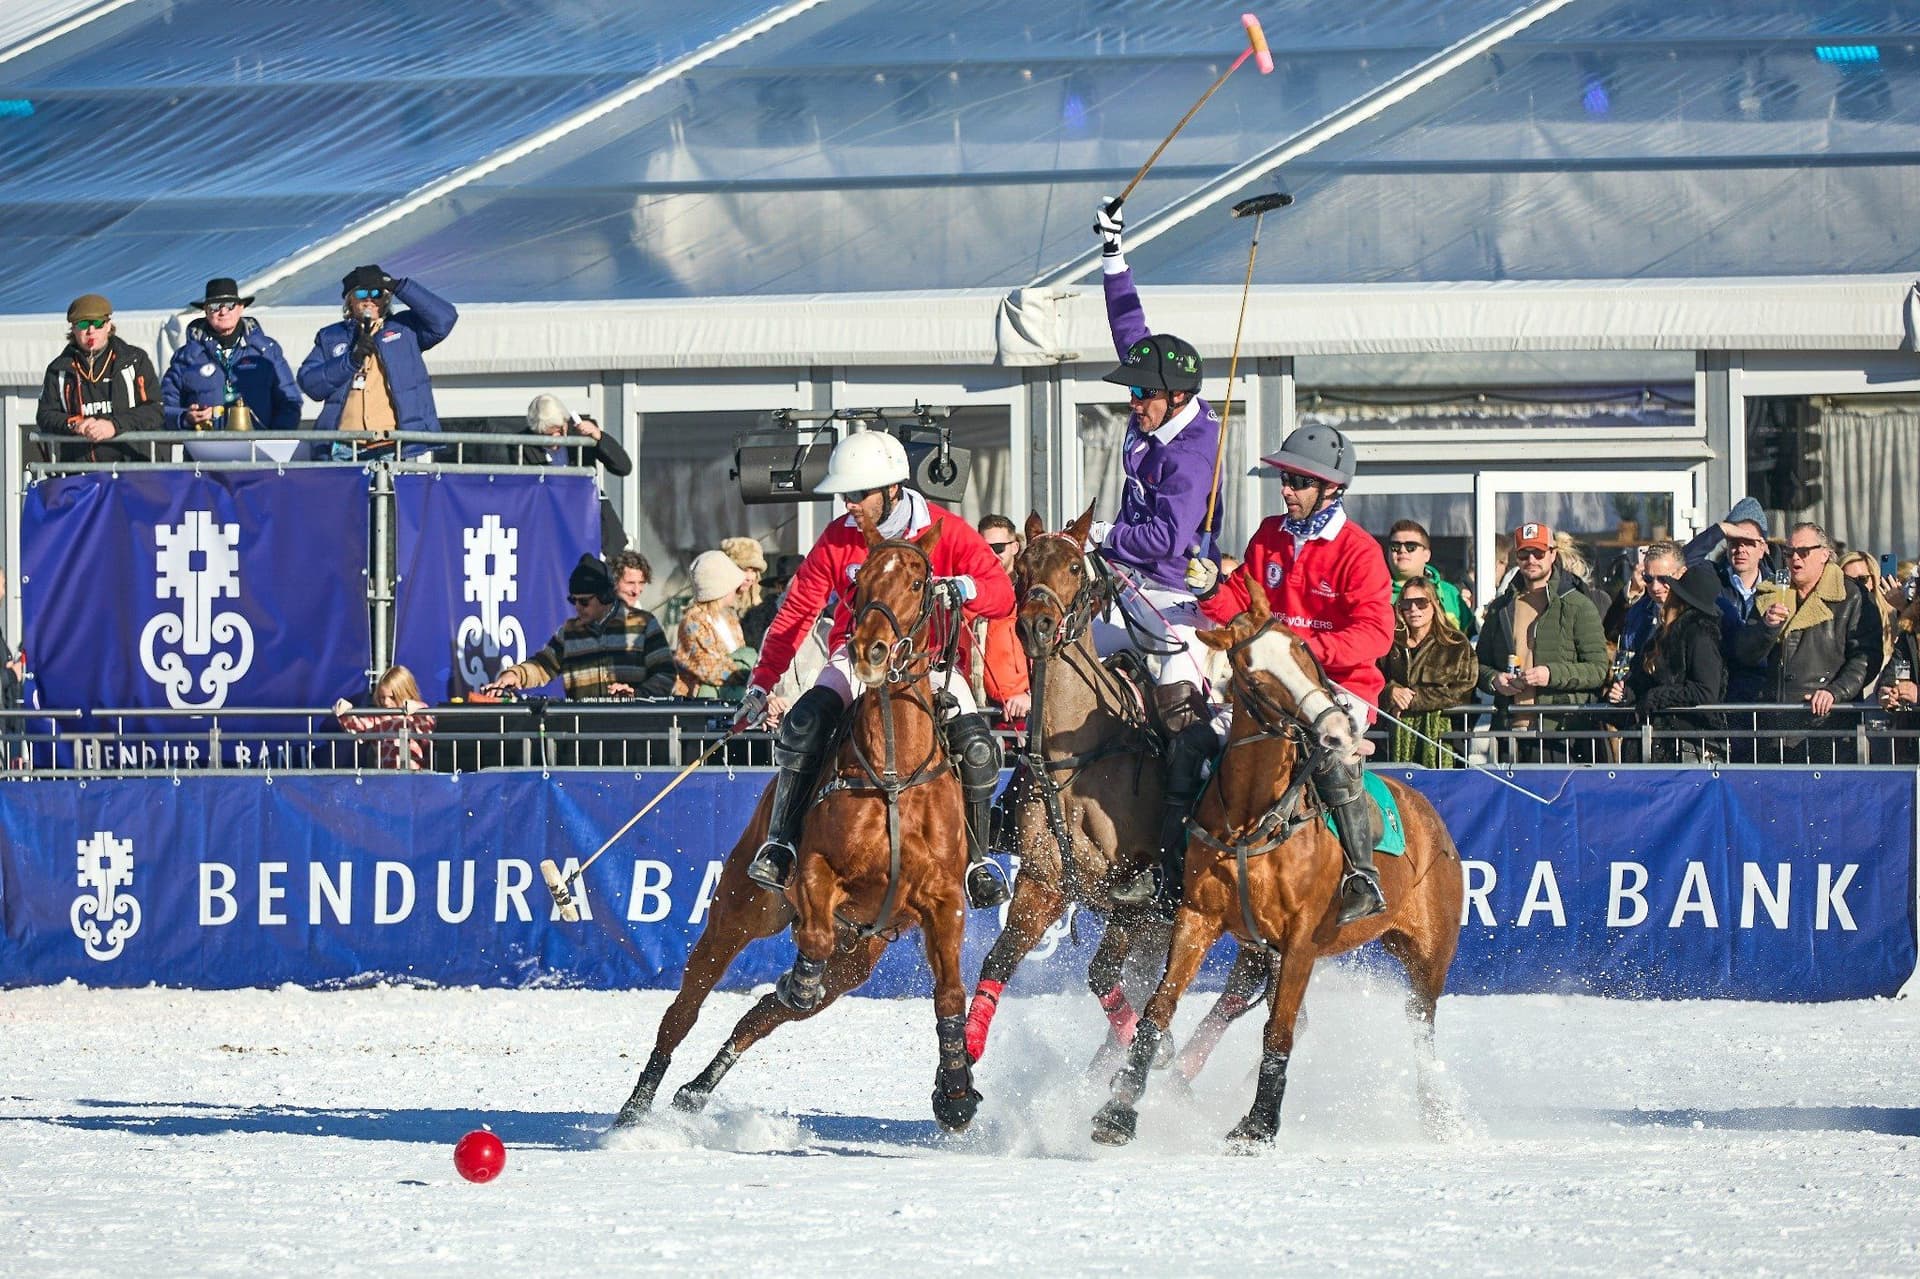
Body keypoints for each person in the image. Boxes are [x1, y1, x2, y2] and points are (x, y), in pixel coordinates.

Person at [735, 431, 1015, 911]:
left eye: (859, 493)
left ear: (891, 489)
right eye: (845, 494)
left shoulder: (946, 530)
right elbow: (797, 611)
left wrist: (963, 589)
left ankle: (977, 861)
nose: (850, 504)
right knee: (804, 724)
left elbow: (1002, 594)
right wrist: (762, 683)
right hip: (857, 657)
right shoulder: (837, 537)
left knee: (976, 747)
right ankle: (781, 844)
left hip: (931, 664)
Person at [1087, 199, 1231, 911]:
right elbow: (1130, 329)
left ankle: (1173, 857)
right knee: (1061, 659)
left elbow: (1166, 541)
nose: (1131, 402)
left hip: (1175, 599)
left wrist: (1102, 536)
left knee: (1182, 712)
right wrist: (1114, 254)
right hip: (1124, 587)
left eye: (1141, 395)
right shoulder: (1156, 401)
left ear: (1176, 398)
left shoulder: (1194, 452)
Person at [1198, 424, 1395, 924]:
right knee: (1206, 744)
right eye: (1285, 479)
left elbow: (1375, 634)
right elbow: (1242, 606)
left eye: (1299, 482)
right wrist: (1210, 591)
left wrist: (1301, 653)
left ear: (1332, 488)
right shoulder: (1269, 535)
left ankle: (1362, 875)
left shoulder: (1360, 550)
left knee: (1329, 757)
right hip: (1270, 688)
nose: (1286, 489)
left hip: (1340, 686)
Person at [1735, 522, 1881, 763]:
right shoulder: (1771, 592)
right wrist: (1766, 628)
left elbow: (1866, 657)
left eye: (1803, 552)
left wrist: (1835, 692)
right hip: (1774, 724)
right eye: (1789, 552)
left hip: (1826, 723)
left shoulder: (1851, 596)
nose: (1795, 558)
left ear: (1825, 554)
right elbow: (1744, 654)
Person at [1476, 522, 1609, 763]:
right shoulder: (1500, 607)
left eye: (1538, 553)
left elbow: (1599, 670)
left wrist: (1551, 674)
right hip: (1509, 728)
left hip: (1561, 732)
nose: (1531, 560)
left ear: (1552, 554)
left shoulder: (1578, 604)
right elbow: (1479, 665)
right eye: (1524, 554)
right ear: (1516, 558)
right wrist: (1494, 680)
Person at [297, 265, 457, 458]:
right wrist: (351, 360)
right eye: (361, 293)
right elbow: (310, 383)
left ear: (386, 299)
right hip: (344, 447)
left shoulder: (405, 328)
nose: (369, 299)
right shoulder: (331, 336)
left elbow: (444, 319)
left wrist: (399, 286)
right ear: (349, 300)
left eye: (376, 293)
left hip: (393, 446)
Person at [483, 555, 675, 700]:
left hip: (633, 732)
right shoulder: (569, 633)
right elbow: (543, 666)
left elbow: (665, 674)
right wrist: (514, 675)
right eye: (573, 600)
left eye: (584, 601)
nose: (577, 607)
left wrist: (636, 695)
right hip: (583, 734)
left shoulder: (644, 625)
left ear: (605, 597)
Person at [1606, 566, 1726, 762]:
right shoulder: (1666, 633)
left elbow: (1705, 691)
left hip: (1687, 746)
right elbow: (1647, 680)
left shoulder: (1699, 635)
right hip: (1657, 743)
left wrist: (1656, 697)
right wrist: (1626, 693)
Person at [161, 277, 301, 443]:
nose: (223, 311)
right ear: (205, 311)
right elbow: (164, 408)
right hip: (205, 453)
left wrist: (273, 440)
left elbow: (290, 401)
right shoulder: (186, 358)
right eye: (215, 306)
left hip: (257, 452)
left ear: (241, 308)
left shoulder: (266, 351)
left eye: (230, 305)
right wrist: (185, 418)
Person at [489, 394, 634, 553]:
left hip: (591, 518)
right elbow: (526, 492)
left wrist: (599, 437)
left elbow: (623, 467)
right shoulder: (522, 445)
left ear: (565, 421)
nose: (554, 439)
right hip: (551, 524)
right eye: (545, 435)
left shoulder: (581, 431)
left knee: (613, 564)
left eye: (558, 431)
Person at [36, 293, 161, 463]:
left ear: (108, 325)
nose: (91, 331)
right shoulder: (59, 368)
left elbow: (154, 410)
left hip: (131, 468)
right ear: (73, 329)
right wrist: (74, 424)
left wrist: (114, 426)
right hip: (81, 470)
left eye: (97, 324)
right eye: (83, 324)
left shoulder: (134, 360)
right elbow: (45, 415)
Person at [1378, 577, 1477, 768]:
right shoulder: (1389, 642)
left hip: (1443, 739)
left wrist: (1414, 700)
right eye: (1406, 604)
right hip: (1391, 739)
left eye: (1421, 602)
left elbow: (1464, 688)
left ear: (1434, 604)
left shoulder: (1455, 643)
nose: (1413, 609)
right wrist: (1390, 692)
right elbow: (1372, 679)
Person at [673, 550, 755, 700]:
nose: (737, 589)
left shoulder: (730, 618)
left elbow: (740, 654)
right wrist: (746, 674)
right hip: (701, 704)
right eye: (733, 584)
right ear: (721, 588)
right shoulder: (693, 621)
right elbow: (706, 666)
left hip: (731, 699)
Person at [974, 515, 1030, 722]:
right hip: (974, 707)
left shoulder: (1029, 592)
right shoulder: (969, 588)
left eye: (998, 548)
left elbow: (1049, 650)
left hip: (1018, 709)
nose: (991, 555)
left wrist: (1031, 696)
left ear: (1015, 547)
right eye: (984, 548)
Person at [333, 665, 435, 771]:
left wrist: (418, 710)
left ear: (405, 693)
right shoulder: (379, 718)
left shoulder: (417, 714)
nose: (386, 702)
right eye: (382, 697)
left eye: (392, 697)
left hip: (415, 775)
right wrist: (346, 713)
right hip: (386, 776)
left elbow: (427, 735)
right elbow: (359, 729)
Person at [1385, 519, 1474, 636]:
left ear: (1426, 555)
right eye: (1395, 546)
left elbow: (1471, 638)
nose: (1402, 550)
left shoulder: (1449, 593)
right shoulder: (1375, 593)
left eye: (1411, 546)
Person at [1838, 550, 1898, 676]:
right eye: (1847, 580)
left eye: (1862, 579)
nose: (1855, 586)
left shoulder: (1892, 614)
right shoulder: (1833, 615)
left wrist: (1903, 607)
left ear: (1874, 580)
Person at [721, 538, 768, 618]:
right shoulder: (713, 609)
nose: (749, 578)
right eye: (744, 570)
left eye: (754, 571)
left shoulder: (758, 607)